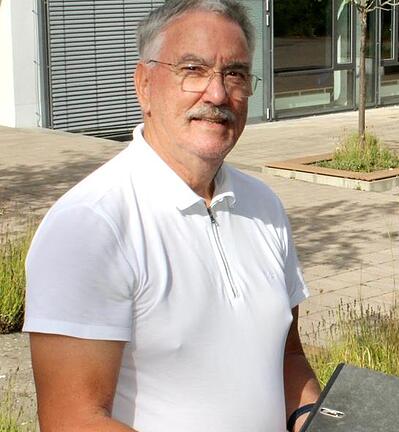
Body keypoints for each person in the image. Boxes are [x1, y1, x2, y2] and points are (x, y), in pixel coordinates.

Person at [23, 1, 320, 430]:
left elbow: (287, 356)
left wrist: (312, 416)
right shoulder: (92, 225)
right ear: (144, 84)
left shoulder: (264, 206)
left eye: (234, 73)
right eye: (193, 70)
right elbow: (73, 419)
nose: (217, 94)